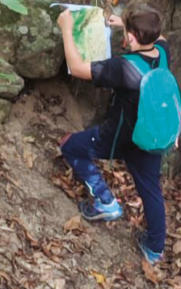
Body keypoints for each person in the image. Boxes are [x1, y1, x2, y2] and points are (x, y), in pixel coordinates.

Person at [56, 2, 172, 265]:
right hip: (151, 139)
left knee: (71, 147)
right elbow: (160, 36)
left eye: (127, 32)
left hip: (120, 137)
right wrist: (126, 24)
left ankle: (105, 202)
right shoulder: (163, 52)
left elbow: (76, 67)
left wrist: (66, 28)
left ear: (131, 37)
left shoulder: (123, 67)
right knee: (151, 191)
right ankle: (154, 249)